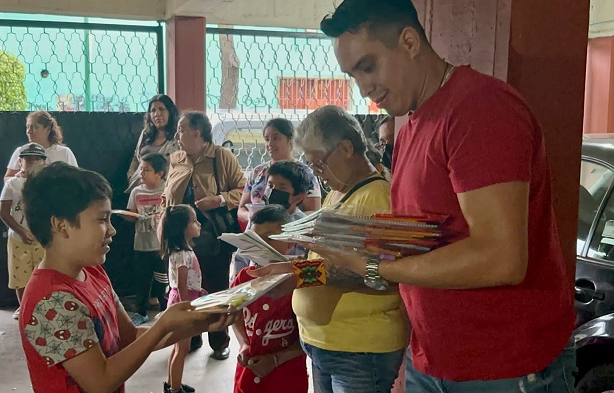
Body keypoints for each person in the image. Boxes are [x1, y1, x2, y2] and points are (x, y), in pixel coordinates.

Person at [303, 0, 575, 391]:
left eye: (368, 66)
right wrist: (300, 272)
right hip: (433, 358)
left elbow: (500, 258)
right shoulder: (414, 123)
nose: (364, 88)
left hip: (502, 364)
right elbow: (421, 247)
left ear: (410, 42)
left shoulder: (479, 108)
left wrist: (375, 266)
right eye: (353, 74)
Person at [18, 162, 238, 393]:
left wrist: (200, 323)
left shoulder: (92, 272)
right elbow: (99, 382)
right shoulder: (52, 300)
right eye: (102, 220)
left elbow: (131, 336)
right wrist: (162, 325)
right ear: (61, 226)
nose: (112, 230)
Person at [253, 106, 407, 392]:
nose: (315, 172)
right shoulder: (338, 193)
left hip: (358, 347)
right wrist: (289, 268)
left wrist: (298, 275)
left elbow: (384, 277)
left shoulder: (377, 198)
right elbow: (331, 262)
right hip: (326, 343)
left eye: (319, 164)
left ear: (346, 148)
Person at [163, 111, 247, 360]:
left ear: (197, 133)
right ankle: (192, 335)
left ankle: (219, 341)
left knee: (215, 287)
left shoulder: (221, 157)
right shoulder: (176, 158)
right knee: (184, 287)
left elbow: (243, 190)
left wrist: (219, 199)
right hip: (180, 238)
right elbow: (169, 191)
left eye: (181, 130)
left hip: (211, 235)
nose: (177, 135)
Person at [232, 205, 308, 393]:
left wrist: (276, 360)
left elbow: (309, 336)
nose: (259, 246)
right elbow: (234, 313)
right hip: (247, 373)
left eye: (267, 239)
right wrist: (244, 343)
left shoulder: (302, 279)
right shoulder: (244, 277)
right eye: (254, 239)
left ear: (290, 242)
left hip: (287, 377)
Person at [237, 118, 321, 224]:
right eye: (267, 139)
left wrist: (288, 218)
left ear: (290, 140)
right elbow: (241, 209)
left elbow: (314, 212)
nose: (270, 144)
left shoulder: (306, 173)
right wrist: (253, 216)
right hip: (257, 231)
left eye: (276, 138)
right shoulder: (257, 172)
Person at [0, 142, 47, 320]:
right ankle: (25, 307)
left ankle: (42, 307)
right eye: (28, 160)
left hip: (43, 238)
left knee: (43, 274)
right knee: (21, 275)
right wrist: (20, 230)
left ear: (44, 163)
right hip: (19, 238)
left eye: (37, 160)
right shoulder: (13, 184)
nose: (32, 163)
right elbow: (3, 212)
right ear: (20, 162)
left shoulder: (48, 184)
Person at [161, 204, 204, 393]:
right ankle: (175, 389)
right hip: (182, 301)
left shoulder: (182, 252)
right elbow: (181, 284)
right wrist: (187, 307)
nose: (199, 224)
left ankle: (172, 383)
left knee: (179, 347)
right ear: (183, 228)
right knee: (182, 350)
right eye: (194, 221)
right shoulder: (183, 255)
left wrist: (198, 290)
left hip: (182, 298)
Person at [123, 153, 169, 325]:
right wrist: (131, 216)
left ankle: (166, 310)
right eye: (140, 169)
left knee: (162, 280)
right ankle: (141, 312)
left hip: (160, 245)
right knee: (142, 280)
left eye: (146, 170)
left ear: (159, 174)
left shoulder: (166, 189)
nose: (141, 173)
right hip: (141, 244)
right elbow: (130, 214)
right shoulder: (136, 191)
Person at [126, 94, 180, 193]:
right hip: (138, 188)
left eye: (161, 109)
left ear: (170, 112)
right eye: (153, 111)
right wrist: (131, 175)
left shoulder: (177, 138)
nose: (157, 114)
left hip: (163, 191)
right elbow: (136, 157)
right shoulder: (146, 133)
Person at [4, 110, 77, 181]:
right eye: (28, 127)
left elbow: (76, 179)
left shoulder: (64, 152)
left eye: (35, 127)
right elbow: (7, 179)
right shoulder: (21, 151)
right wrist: (18, 178)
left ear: (48, 129)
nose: (29, 131)